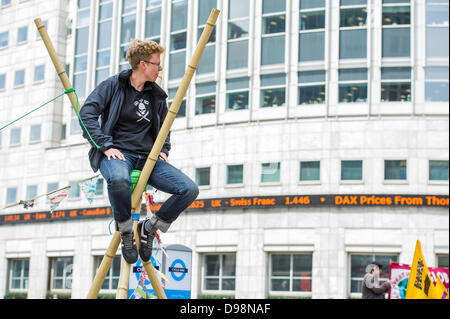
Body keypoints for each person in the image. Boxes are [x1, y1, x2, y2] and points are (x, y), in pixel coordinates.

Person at [79, 40, 199, 264]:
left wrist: (163, 148)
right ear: (143, 64)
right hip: (118, 154)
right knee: (118, 179)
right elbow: (86, 113)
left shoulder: (155, 95)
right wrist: (105, 145)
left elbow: (164, 125)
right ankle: (125, 231)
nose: (160, 68)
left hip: (148, 158)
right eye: (157, 64)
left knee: (189, 189)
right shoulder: (113, 85)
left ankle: (150, 227)